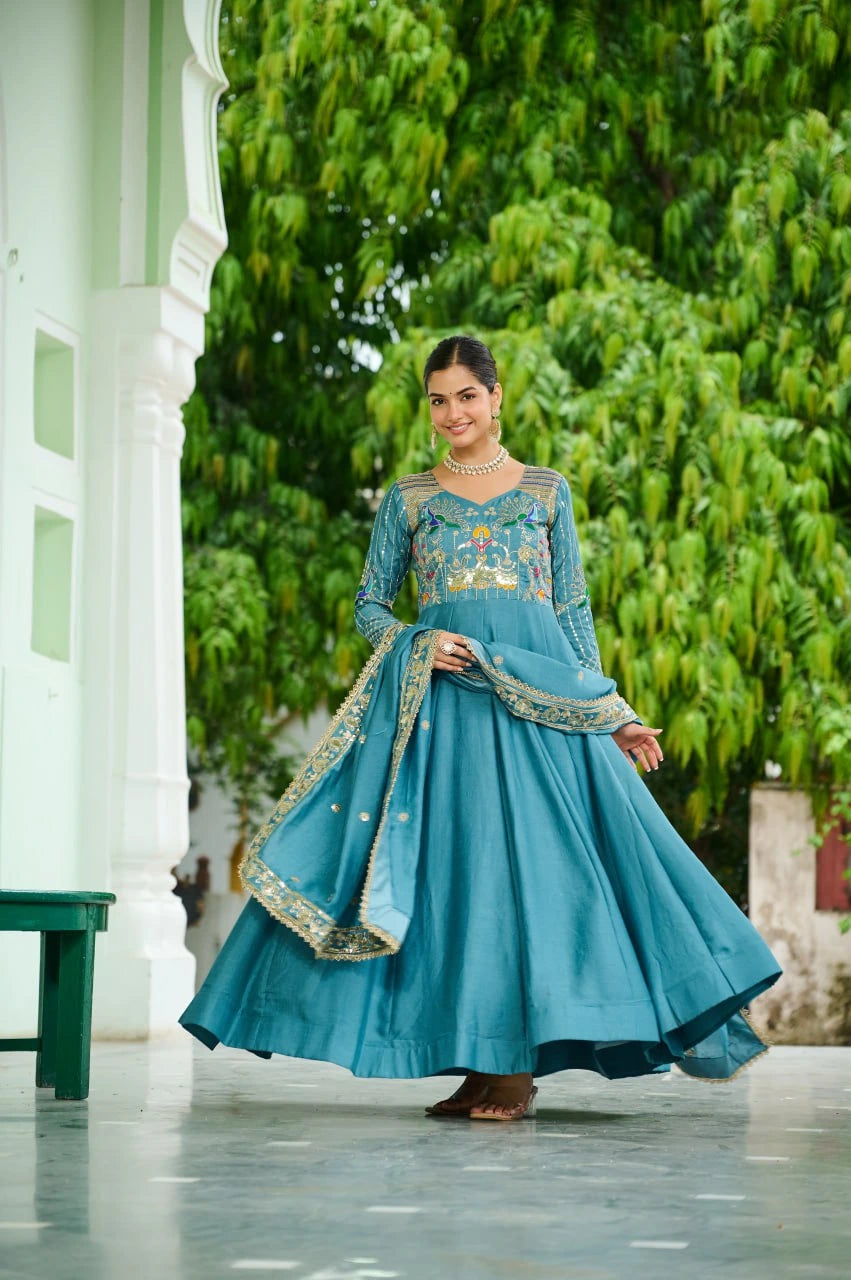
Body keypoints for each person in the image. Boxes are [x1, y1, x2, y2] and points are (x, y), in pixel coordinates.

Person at [180, 335, 781, 1121]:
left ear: (496, 398)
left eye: (466, 395)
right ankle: (476, 1062)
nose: (451, 412)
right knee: (459, 881)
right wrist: (417, 642)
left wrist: (613, 713)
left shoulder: (545, 492)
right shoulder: (408, 501)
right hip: (446, 710)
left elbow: (570, 610)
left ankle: (513, 1071)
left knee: (534, 876)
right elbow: (370, 606)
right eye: (437, 399)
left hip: (536, 708)